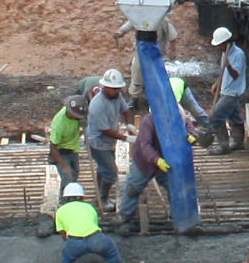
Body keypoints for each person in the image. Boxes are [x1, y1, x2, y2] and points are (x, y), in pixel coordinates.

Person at [48, 181, 130, 263]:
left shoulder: (60, 211)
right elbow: (95, 226)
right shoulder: (89, 207)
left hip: (75, 242)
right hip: (96, 239)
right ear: (82, 197)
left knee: (67, 259)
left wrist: (70, 243)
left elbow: (63, 233)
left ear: (65, 198)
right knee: (112, 253)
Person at [83, 68, 131, 211]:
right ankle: (102, 200)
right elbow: (105, 131)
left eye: (118, 89)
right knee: (110, 173)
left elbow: (126, 110)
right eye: (114, 89)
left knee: (103, 169)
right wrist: (125, 138)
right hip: (98, 143)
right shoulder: (97, 105)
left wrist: (129, 124)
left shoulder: (116, 96)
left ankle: (99, 195)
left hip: (110, 142)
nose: (117, 92)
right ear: (105, 87)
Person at [114, 111, 165, 227]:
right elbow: (145, 145)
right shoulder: (148, 121)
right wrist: (157, 160)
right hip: (144, 161)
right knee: (133, 188)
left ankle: (179, 217)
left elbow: (190, 129)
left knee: (175, 187)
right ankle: (125, 217)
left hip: (166, 161)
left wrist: (193, 135)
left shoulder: (180, 119)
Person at [207, 27, 249, 152]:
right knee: (234, 117)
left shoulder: (238, 55)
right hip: (226, 90)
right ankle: (238, 143)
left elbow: (236, 75)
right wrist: (217, 83)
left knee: (215, 117)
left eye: (219, 45)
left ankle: (223, 146)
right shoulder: (225, 53)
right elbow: (223, 72)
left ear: (226, 42)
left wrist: (229, 65)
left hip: (233, 92)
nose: (218, 47)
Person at [48, 92, 87, 183]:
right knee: (67, 180)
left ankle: (72, 194)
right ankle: (65, 197)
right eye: (77, 116)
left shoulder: (78, 114)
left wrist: (84, 123)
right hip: (61, 152)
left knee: (74, 176)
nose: (79, 118)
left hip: (73, 150)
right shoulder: (59, 123)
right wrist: (63, 165)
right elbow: (53, 147)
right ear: (70, 112)